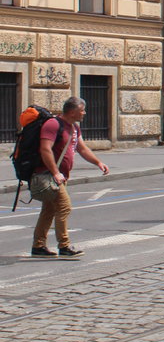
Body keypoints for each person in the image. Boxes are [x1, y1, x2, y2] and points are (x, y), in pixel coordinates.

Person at [30, 96, 109, 258]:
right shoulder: (53, 125)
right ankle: (64, 246)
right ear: (72, 112)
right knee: (65, 207)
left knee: (49, 210)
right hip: (50, 176)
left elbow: (82, 149)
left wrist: (98, 162)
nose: (84, 113)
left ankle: (38, 246)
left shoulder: (74, 127)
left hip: (60, 177)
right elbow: (45, 149)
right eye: (82, 110)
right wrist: (55, 172)